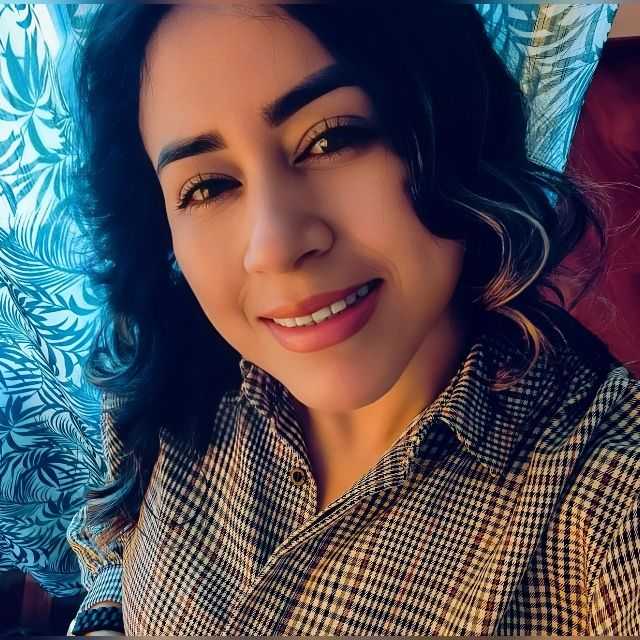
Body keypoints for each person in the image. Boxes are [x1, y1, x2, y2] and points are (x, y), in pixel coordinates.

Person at [66, 3, 640, 635]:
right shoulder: (167, 363)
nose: (274, 247)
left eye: (331, 138)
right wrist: (105, 620)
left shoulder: (605, 503)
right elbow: (118, 537)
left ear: (449, 123)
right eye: (207, 187)